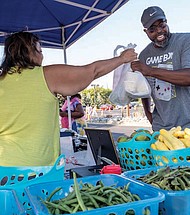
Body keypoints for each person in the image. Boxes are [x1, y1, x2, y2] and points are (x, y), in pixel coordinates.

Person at [0, 31, 137, 166]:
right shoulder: (46, 75)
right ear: (29, 51)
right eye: (40, 51)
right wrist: (121, 59)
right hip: (38, 171)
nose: (42, 57)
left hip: (4, 168)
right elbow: (92, 71)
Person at [131, 6, 190, 131]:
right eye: (152, 29)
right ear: (145, 31)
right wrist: (148, 114)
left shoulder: (185, 41)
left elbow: (188, 77)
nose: (159, 31)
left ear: (166, 22)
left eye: (162, 25)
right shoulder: (144, 55)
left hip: (187, 126)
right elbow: (144, 89)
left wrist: (150, 71)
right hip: (161, 128)